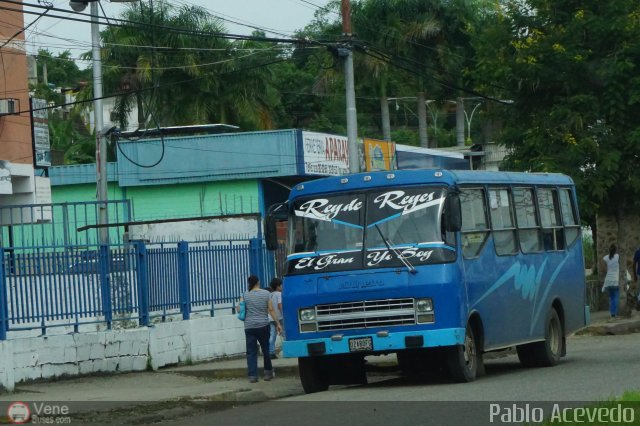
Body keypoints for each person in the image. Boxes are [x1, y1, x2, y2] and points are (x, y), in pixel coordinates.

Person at [240, 275, 282, 383]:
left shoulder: (245, 294)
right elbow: (271, 310)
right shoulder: (266, 293)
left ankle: (253, 376)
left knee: (251, 352)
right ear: (258, 282)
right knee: (266, 349)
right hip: (263, 325)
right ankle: (268, 373)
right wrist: (277, 323)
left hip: (249, 326)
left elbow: (240, 309)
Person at [601, 244, 620, 319]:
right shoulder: (618, 256)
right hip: (616, 279)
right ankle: (615, 313)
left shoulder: (605, 258)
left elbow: (603, 269)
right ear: (616, 250)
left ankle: (612, 313)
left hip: (609, 280)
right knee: (616, 296)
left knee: (612, 297)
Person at [268, 278, 283, 359]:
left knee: (272, 335)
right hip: (279, 317)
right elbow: (280, 305)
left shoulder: (270, 294)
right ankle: (285, 350)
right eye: (281, 285)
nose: (282, 287)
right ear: (278, 286)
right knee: (283, 334)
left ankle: (271, 352)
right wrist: (284, 314)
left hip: (271, 318)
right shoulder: (279, 294)